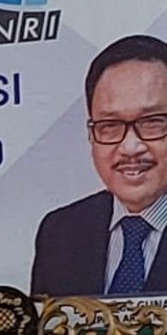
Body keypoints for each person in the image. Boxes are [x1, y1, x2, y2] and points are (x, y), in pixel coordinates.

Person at [33, 34, 167, 298]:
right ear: (91, 135)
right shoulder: (60, 232)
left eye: (152, 122)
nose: (130, 147)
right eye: (110, 126)